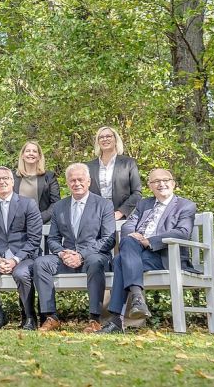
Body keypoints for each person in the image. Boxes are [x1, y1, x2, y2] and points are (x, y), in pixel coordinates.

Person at [98, 169, 197, 334]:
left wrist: (149, 241)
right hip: (139, 255)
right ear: (150, 186)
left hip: (166, 256)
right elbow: (129, 225)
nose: (161, 184)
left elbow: (182, 232)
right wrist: (134, 235)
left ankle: (117, 318)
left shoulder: (185, 205)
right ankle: (137, 298)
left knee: (119, 261)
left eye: (165, 180)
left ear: (173, 184)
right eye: (156, 181)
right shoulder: (144, 204)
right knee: (128, 241)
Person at [33, 163, 116, 333]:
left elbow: (109, 239)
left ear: (88, 181)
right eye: (72, 180)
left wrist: (81, 255)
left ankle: (94, 319)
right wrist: (62, 253)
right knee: (41, 263)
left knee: (95, 262)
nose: (76, 183)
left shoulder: (104, 205)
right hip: (67, 257)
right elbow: (54, 239)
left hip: (94, 257)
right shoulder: (59, 207)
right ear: (67, 183)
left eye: (80, 180)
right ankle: (51, 317)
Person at [0, 166, 42, 330]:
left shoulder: (28, 204)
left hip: (24, 257)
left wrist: (15, 260)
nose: (1, 181)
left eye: (5, 178)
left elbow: (34, 239)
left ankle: (30, 316)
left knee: (21, 273)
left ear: (12, 181)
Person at [87, 126, 142, 220]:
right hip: (94, 216)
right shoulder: (88, 166)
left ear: (115, 140)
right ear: (98, 142)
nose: (105, 139)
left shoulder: (128, 163)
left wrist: (121, 212)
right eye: (101, 137)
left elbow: (137, 193)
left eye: (108, 136)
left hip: (121, 217)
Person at [11, 141, 60, 224]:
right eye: (27, 151)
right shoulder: (12, 177)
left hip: (42, 224)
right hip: (16, 225)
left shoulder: (49, 176)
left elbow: (56, 202)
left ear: (39, 156)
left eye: (34, 151)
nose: (31, 153)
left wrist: (39, 218)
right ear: (22, 155)